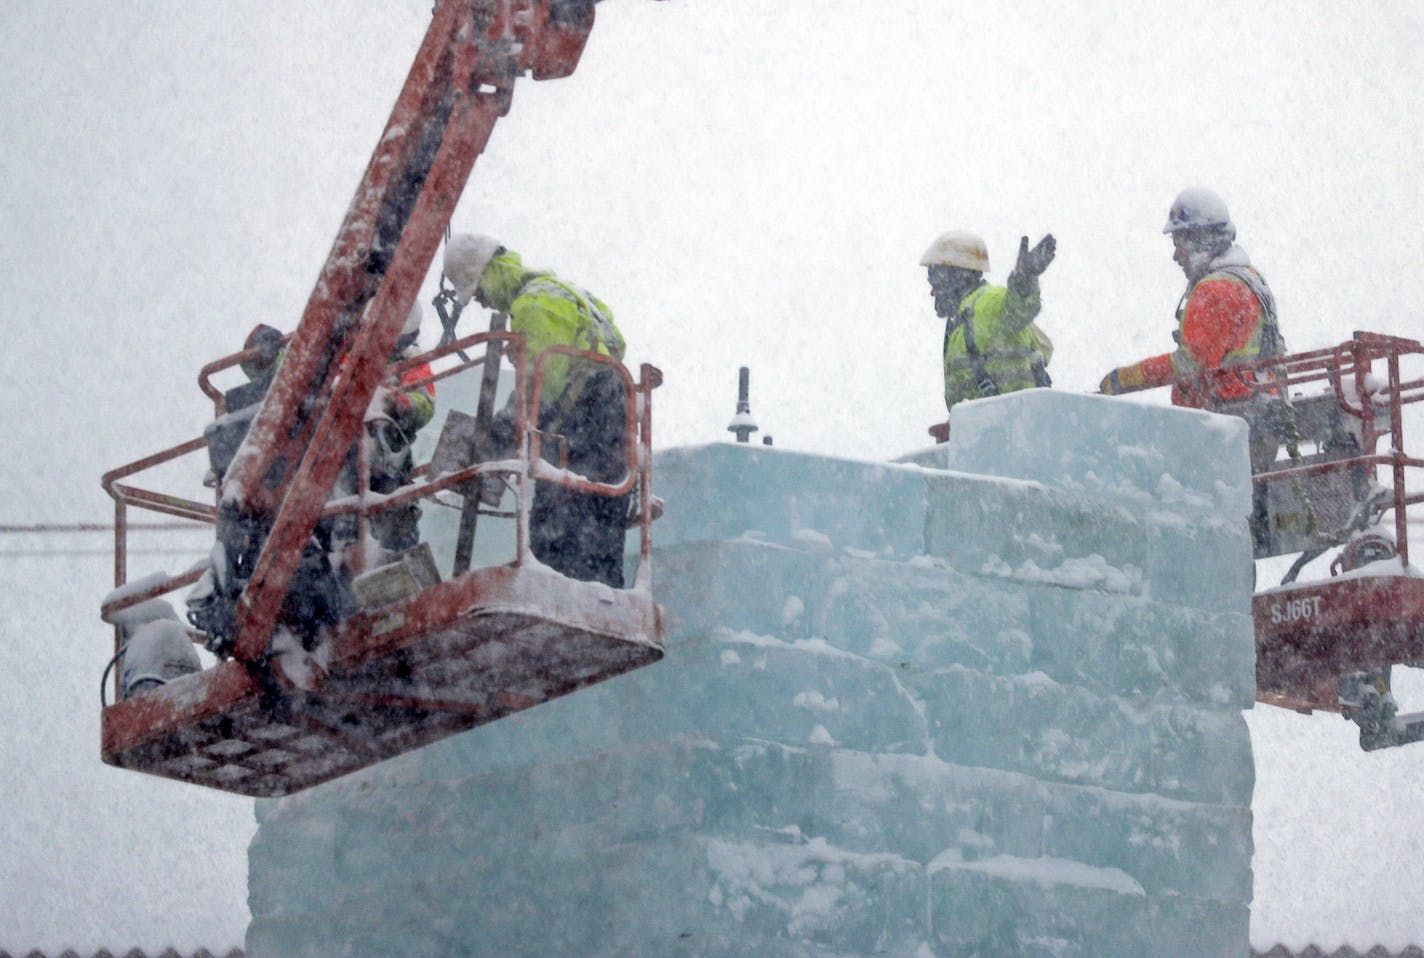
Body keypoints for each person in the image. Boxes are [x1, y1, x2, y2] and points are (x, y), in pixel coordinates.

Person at [443, 233, 630, 588]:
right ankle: (598, 606)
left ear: (489, 272)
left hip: (583, 426)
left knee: (556, 542)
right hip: (609, 427)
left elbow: (540, 386)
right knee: (601, 538)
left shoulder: (534, 304)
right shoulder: (568, 293)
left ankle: (560, 605)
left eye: (479, 292)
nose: (484, 304)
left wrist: (498, 433)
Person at [1097, 187, 1282, 432]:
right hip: (1257, 415)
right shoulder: (1249, 277)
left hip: (1223, 426)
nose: (1176, 256)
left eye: (1178, 244)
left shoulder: (1213, 290)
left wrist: (1127, 377)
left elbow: (1190, 364)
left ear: (1199, 241)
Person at [923, 230, 1057, 414]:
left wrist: (1024, 279)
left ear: (957, 273)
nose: (932, 290)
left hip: (1015, 426)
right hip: (990, 432)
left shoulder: (988, 302)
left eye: (934, 277)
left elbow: (1020, 309)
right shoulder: (958, 324)